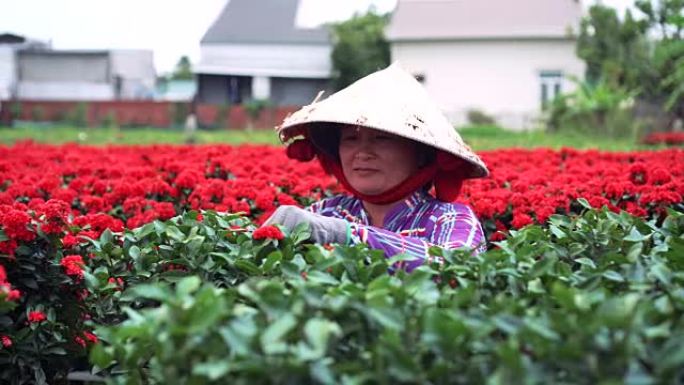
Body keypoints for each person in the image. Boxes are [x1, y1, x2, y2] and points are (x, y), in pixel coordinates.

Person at [264, 63, 489, 272]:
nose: (362, 153)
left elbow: (457, 267)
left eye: (381, 138)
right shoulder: (325, 213)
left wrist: (348, 235)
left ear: (421, 153)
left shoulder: (450, 218)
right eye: (351, 139)